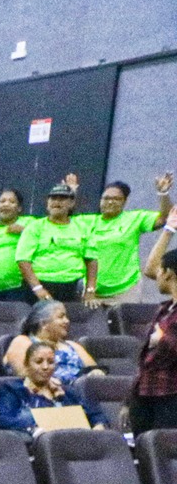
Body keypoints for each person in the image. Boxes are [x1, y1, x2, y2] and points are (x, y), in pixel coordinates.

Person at [83, 175, 173, 304]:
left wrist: (163, 193)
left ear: (124, 202)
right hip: (92, 291)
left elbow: (165, 219)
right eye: (106, 198)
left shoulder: (134, 218)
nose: (110, 202)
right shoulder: (86, 222)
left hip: (126, 289)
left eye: (116, 199)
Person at [0, 340, 109, 433]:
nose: (45, 367)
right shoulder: (11, 389)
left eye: (51, 362)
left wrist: (99, 425)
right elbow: (2, 420)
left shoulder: (67, 392)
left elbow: (96, 415)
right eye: (39, 362)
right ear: (26, 365)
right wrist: (42, 422)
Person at [130, 222, 177, 432]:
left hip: (171, 395)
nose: (155, 274)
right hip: (147, 393)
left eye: (160, 270)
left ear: (168, 273)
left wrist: (163, 340)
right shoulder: (165, 308)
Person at [16, 182, 93, 304]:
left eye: (62, 199)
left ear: (71, 203)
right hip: (41, 286)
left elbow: (91, 259)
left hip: (72, 288)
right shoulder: (35, 227)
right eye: (53, 198)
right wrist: (37, 288)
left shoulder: (82, 227)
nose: (56, 202)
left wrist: (90, 290)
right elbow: (23, 259)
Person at [2, 301, 102, 385]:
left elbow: (93, 370)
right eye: (61, 317)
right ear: (43, 323)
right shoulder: (22, 341)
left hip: (79, 394)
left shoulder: (73, 345)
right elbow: (25, 375)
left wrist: (96, 372)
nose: (67, 321)